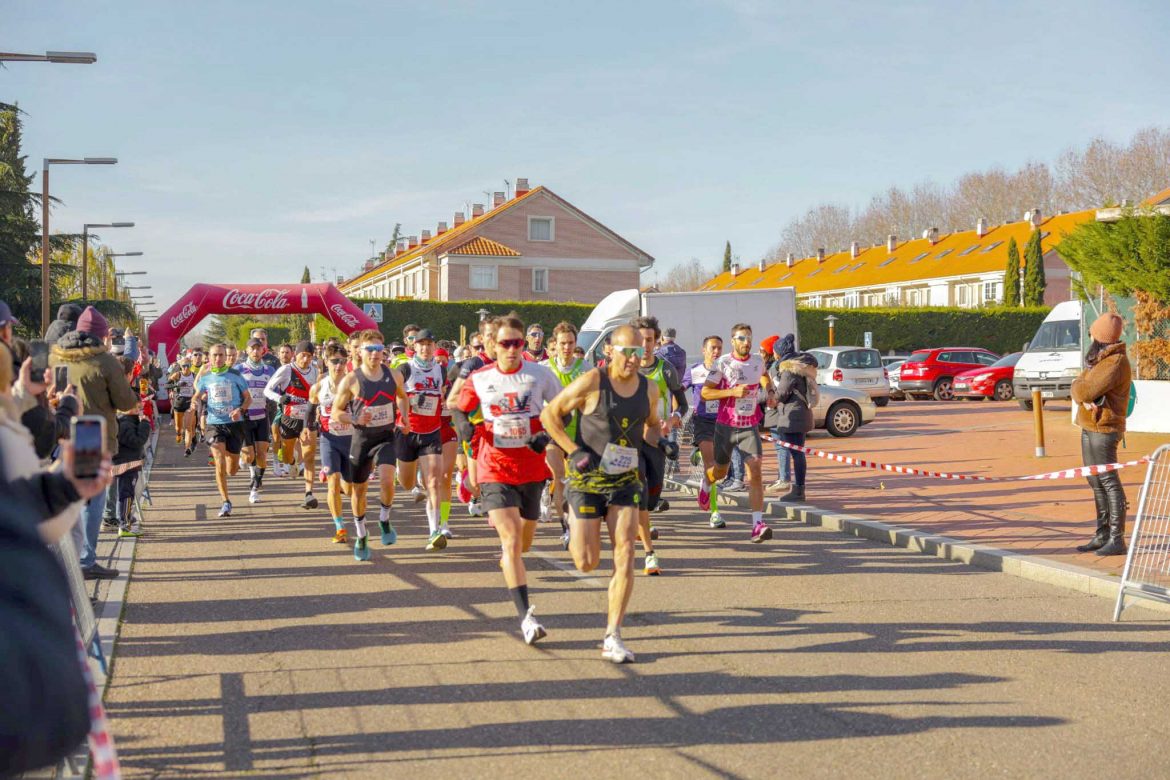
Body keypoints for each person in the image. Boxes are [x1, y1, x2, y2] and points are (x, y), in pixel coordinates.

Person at [541, 324, 662, 663]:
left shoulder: (650, 388)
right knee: (587, 561)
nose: (634, 359)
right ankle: (570, 518)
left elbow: (652, 423)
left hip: (625, 479)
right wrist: (571, 450)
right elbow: (550, 415)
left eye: (640, 352)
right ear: (610, 351)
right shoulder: (593, 381)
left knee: (626, 550)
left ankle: (613, 635)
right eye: (628, 352)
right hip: (586, 480)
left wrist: (658, 443)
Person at [453, 315, 562, 645]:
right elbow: (458, 407)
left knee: (523, 544)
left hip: (532, 470)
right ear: (493, 345)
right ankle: (526, 618)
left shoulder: (540, 374)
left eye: (517, 343)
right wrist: (463, 426)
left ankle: (510, 560)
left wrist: (545, 436)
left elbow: (563, 410)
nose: (512, 349)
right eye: (505, 343)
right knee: (512, 540)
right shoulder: (480, 377)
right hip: (494, 469)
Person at [49, 306, 140, 578]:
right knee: (91, 502)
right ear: (102, 336)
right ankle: (85, 561)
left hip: (60, 435)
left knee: (67, 502)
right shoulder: (105, 361)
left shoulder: (56, 356)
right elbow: (125, 401)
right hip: (92, 436)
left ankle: (63, 562)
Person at [332, 329, 411, 562]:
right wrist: (354, 418)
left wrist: (404, 417)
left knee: (387, 479)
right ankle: (361, 534)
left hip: (386, 437)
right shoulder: (351, 380)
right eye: (370, 349)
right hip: (362, 440)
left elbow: (402, 397)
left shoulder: (394, 375)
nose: (375, 354)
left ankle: (384, 519)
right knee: (359, 491)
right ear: (360, 351)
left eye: (379, 349)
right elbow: (336, 412)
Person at [701, 323, 772, 543]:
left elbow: (764, 375)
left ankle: (757, 525)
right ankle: (707, 482)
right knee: (720, 472)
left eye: (749, 337)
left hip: (749, 426)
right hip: (726, 426)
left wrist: (770, 390)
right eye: (741, 338)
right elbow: (705, 392)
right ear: (733, 341)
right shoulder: (723, 363)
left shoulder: (757, 361)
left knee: (755, 469)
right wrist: (732, 391)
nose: (746, 342)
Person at [1071, 313, 1133, 557]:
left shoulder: (1114, 362)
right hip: (1090, 425)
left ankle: (1117, 538)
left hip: (1104, 428)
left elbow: (1083, 390)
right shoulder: (1100, 359)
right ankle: (1102, 534)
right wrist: (1081, 392)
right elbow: (1082, 388)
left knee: (1108, 481)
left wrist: (1080, 392)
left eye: (1093, 333)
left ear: (1100, 337)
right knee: (1095, 481)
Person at [632, 316, 687, 574]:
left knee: (653, 495)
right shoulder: (624, 370)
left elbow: (683, 404)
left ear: (657, 342)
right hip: (631, 439)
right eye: (640, 340)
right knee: (639, 488)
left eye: (649, 340)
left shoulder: (666, 370)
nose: (645, 345)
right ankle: (649, 553)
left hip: (657, 438)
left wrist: (674, 418)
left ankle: (643, 517)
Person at [395, 329, 450, 550]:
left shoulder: (441, 370)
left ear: (434, 347)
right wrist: (408, 406)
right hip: (407, 432)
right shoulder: (406, 368)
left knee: (434, 481)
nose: (425, 348)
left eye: (429, 344)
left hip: (431, 432)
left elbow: (443, 394)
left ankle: (434, 531)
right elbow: (394, 392)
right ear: (414, 346)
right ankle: (405, 475)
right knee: (407, 483)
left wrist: (443, 401)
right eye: (421, 344)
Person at [446, 317, 500, 518]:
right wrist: (462, 422)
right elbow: (452, 400)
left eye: (497, 335)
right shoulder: (473, 363)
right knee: (476, 484)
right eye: (489, 335)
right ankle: (467, 478)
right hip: (477, 428)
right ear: (482, 338)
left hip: (503, 430)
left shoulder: (512, 361)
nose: (494, 340)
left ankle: (500, 510)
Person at [542, 321, 587, 546]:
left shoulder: (585, 369)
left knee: (576, 482)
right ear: (555, 344)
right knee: (559, 477)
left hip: (578, 432)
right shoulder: (544, 368)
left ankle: (576, 520)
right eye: (562, 343)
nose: (567, 348)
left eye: (570, 343)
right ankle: (566, 528)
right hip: (552, 432)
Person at [195, 343, 251, 517]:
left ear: (225, 357)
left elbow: (248, 398)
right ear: (209, 357)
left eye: (221, 355)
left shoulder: (236, 375)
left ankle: (232, 458)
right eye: (215, 355)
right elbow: (197, 394)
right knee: (219, 459)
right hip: (214, 424)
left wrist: (240, 410)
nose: (218, 358)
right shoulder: (206, 376)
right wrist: (194, 402)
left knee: (231, 470)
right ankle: (226, 502)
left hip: (235, 424)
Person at [264, 340, 320, 509]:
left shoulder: (315, 371)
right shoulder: (286, 369)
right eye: (303, 355)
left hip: (308, 420)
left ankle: (309, 493)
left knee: (309, 456)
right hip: (289, 419)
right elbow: (267, 390)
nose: (306, 359)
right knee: (287, 457)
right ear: (296, 354)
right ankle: (292, 461)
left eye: (309, 356)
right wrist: (280, 398)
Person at [310, 343, 353, 544]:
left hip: (351, 440)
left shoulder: (353, 384)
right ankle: (339, 527)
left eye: (342, 361)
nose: (339, 366)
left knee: (350, 489)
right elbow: (310, 410)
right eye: (335, 361)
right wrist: (307, 429)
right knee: (333, 482)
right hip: (329, 439)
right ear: (326, 362)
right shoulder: (319, 387)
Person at [684, 335, 727, 527]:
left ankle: (705, 484)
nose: (716, 351)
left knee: (719, 469)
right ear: (704, 350)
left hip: (723, 422)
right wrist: (675, 412)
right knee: (711, 464)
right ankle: (715, 513)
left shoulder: (725, 371)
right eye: (712, 348)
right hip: (702, 422)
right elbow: (678, 390)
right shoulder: (694, 371)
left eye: (719, 348)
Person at [769, 353, 818, 503]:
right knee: (798, 453)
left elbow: (781, 394)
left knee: (797, 454)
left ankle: (798, 491)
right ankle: (798, 489)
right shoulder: (801, 369)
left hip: (793, 418)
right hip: (801, 415)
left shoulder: (789, 371)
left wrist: (764, 397)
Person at [112, 356, 152, 538]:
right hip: (127, 462)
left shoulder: (125, 420)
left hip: (127, 460)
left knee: (125, 492)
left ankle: (126, 518)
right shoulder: (126, 423)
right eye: (138, 408)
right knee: (126, 494)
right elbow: (137, 441)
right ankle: (124, 524)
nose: (140, 410)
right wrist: (145, 424)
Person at [236, 339, 276, 504]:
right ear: (247, 350)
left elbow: (277, 390)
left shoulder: (269, 370)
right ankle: (247, 463)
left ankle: (255, 488)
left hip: (262, 416)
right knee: (249, 456)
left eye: (258, 348)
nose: (255, 351)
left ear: (263, 351)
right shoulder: (238, 369)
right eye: (252, 348)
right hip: (245, 418)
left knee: (262, 454)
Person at [763, 333, 797, 494]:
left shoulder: (776, 367)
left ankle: (784, 479)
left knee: (781, 446)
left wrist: (759, 398)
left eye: (762, 350)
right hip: (777, 411)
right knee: (782, 446)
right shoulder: (777, 366)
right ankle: (782, 477)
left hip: (778, 411)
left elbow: (777, 390)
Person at [169, 358, 198, 454]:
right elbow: (167, 385)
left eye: (188, 365)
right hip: (179, 403)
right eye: (183, 366)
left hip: (190, 403)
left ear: (191, 366)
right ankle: (178, 434)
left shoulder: (194, 375)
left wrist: (197, 396)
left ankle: (187, 448)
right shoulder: (177, 375)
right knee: (178, 428)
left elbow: (199, 388)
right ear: (180, 367)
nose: (186, 368)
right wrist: (177, 385)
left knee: (188, 427)